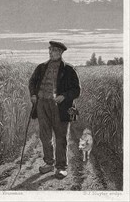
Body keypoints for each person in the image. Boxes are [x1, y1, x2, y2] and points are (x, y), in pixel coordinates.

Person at [29, 41, 81, 179]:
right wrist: (33, 94)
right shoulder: (41, 67)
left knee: (60, 137)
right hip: (41, 105)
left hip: (60, 107)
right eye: (50, 49)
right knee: (45, 136)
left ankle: (61, 167)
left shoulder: (68, 69)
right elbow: (32, 82)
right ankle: (49, 163)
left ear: (60, 52)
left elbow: (76, 90)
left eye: (54, 50)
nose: (50, 52)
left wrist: (64, 96)